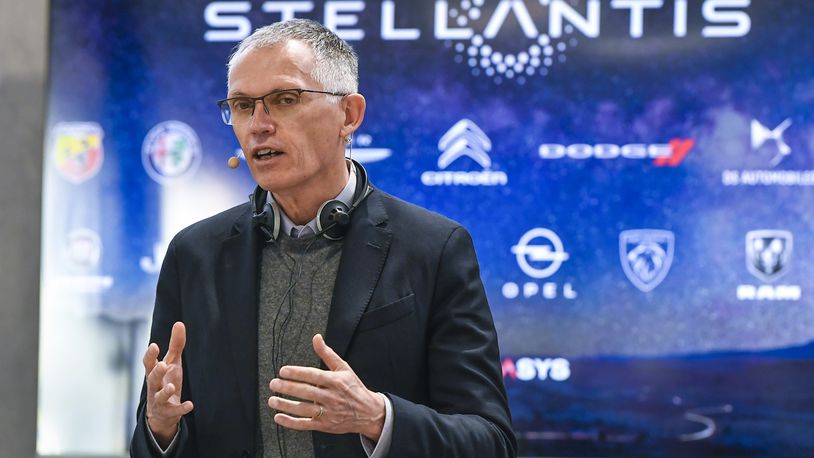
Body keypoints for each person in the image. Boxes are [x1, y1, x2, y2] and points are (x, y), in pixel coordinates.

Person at [130, 18, 516, 458]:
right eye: (241, 105)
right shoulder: (195, 254)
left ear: (348, 115)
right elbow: (151, 444)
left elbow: (491, 442)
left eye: (284, 99)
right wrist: (160, 429)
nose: (258, 125)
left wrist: (377, 417)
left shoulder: (434, 248)